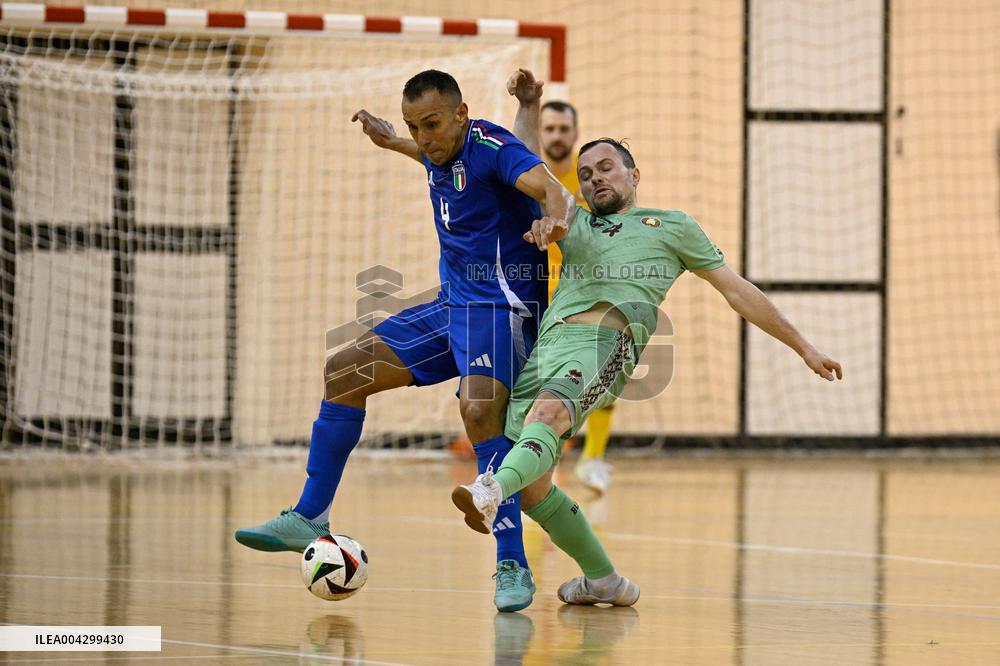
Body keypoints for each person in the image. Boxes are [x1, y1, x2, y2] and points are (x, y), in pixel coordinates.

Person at [452, 108, 843, 605]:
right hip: (547, 348)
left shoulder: (673, 227)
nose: (596, 179)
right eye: (587, 173)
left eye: (607, 168)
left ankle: (487, 490)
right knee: (532, 489)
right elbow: (527, 170)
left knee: (544, 420)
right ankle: (605, 581)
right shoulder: (571, 219)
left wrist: (804, 346)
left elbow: (737, 290)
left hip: (605, 345)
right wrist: (529, 106)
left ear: (634, 174)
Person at [235, 70, 575, 613]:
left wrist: (553, 222)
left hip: (503, 308)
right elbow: (428, 157)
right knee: (346, 369)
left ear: (462, 114)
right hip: (451, 305)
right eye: (417, 127)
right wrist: (391, 139)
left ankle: (511, 561)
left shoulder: (492, 148)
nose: (425, 138)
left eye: (433, 125)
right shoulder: (437, 150)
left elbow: (550, 189)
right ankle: (309, 516)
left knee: (479, 409)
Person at [534, 88, 617, 495]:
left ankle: (593, 459)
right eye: (549, 128)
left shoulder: (592, 182)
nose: (556, 135)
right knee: (537, 389)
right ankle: (536, 464)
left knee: (605, 374)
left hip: (585, 296)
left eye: (564, 128)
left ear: (576, 132)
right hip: (533, 296)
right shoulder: (529, 176)